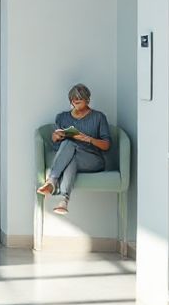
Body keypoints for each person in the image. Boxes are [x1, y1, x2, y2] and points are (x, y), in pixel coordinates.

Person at [36, 83, 112, 215]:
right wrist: (55, 137)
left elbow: (106, 145)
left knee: (70, 145)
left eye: (79, 97)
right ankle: (63, 201)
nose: (75, 100)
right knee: (71, 156)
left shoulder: (98, 117)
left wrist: (89, 139)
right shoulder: (62, 117)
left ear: (87, 99)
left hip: (93, 159)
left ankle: (52, 181)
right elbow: (57, 146)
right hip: (72, 157)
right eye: (72, 98)